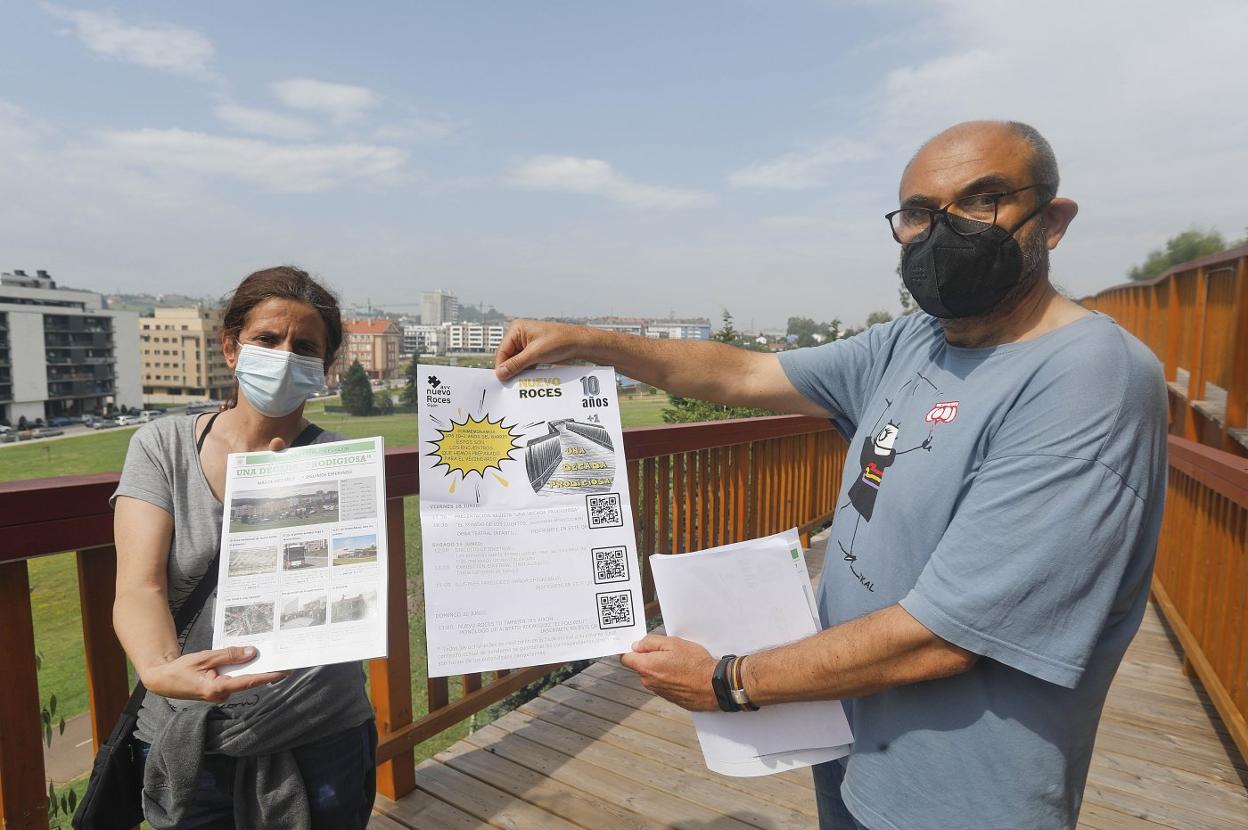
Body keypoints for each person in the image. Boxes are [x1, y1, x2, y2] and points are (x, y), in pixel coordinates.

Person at [493, 121, 1168, 830]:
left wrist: (729, 681)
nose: (943, 231)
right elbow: (746, 371)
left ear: (1052, 221)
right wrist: (588, 341)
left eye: (982, 200)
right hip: (852, 752)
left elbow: (947, 634)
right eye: (918, 213)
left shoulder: (1088, 378)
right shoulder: (917, 340)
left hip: (962, 794)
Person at [112, 266, 377, 829]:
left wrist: (294, 507)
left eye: (304, 347)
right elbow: (140, 584)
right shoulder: (163, 446)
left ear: (323, 370)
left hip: (319, 729)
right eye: (267, 339)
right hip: (191, 733)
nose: (284, 355)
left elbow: (350, 590)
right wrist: (160, 669)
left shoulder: (339, 462)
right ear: (232, 348)